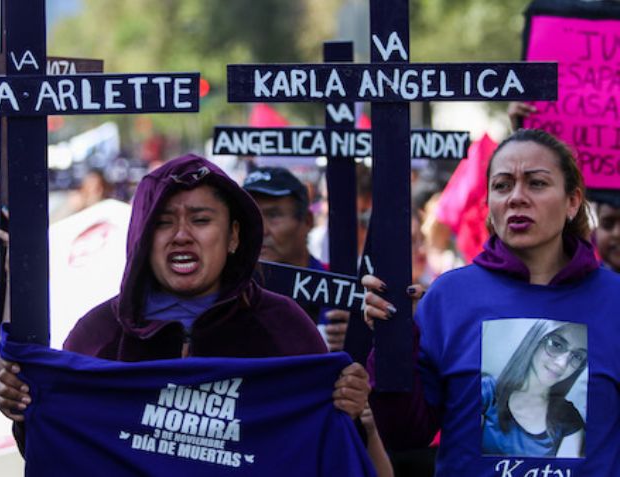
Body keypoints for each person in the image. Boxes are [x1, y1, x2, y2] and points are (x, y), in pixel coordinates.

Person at [0, 155, 371, 457]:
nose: (181, 236)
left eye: (201, 220)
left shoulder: (284, 327)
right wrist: (27, 410)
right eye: (162, 222)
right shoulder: (100, 333)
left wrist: (349, 411)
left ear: (234, 235)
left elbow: (325, 446)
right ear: (141, 236)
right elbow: (61, 449)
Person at [364, 129, 620, 475]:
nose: (516, 197)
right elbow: (405, 432)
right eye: (502, 185)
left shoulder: (612, 298)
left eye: (537, 183)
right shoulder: (448, 296)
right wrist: (392, 339)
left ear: (573, 202)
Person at [242, 167, 350, 353]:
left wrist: (359, 341)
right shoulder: (229, 292)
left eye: (273, 215)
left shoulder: (338, 291)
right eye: (250, 216)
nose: (260, 229)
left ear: (307, 221)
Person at [481, 320, 586, 457]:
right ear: (536, 340)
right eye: (556, 344)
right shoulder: (486, 392)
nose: (562, 364)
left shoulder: (569, 419)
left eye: (577, 356)